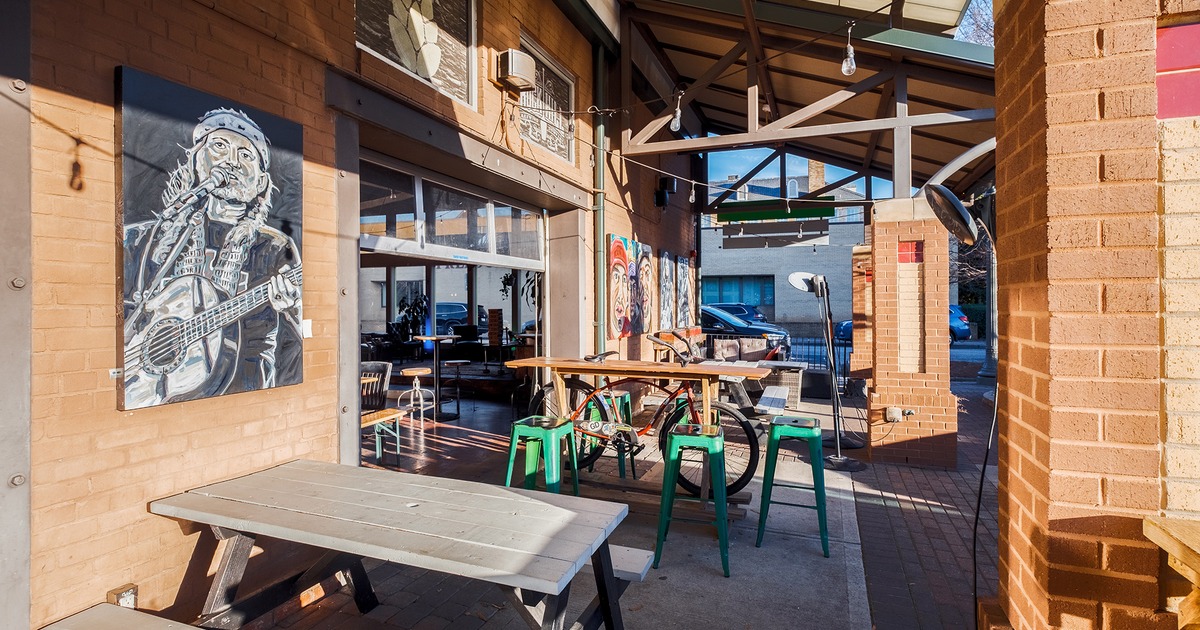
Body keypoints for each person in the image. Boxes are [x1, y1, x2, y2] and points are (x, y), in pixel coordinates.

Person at [122, 108, 302, 409]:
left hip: (242, 391)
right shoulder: (143, 240)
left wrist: (292, 307)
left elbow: (302, 338)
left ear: (260, 183)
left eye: (246, 155)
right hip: (154, 392)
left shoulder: (273, 246)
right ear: (196, 161)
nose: (231, 161)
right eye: (219, 146)